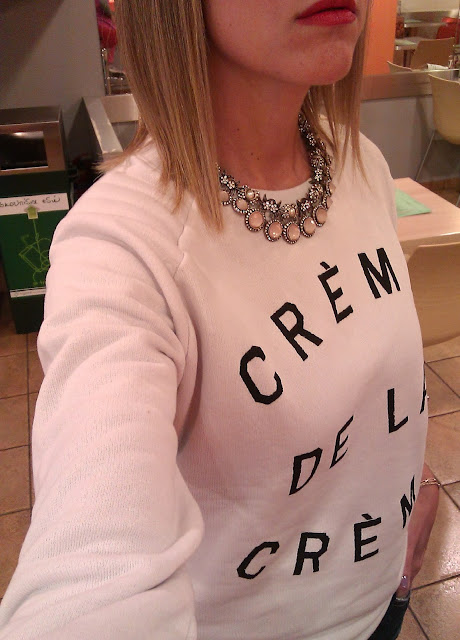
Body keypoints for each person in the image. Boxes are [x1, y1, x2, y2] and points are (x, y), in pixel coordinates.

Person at [0, 1, 439, 638]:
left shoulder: (360, 163)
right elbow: (92, 576)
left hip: (384, 604)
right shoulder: (122, 247)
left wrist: (408, 480)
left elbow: (373, 380)